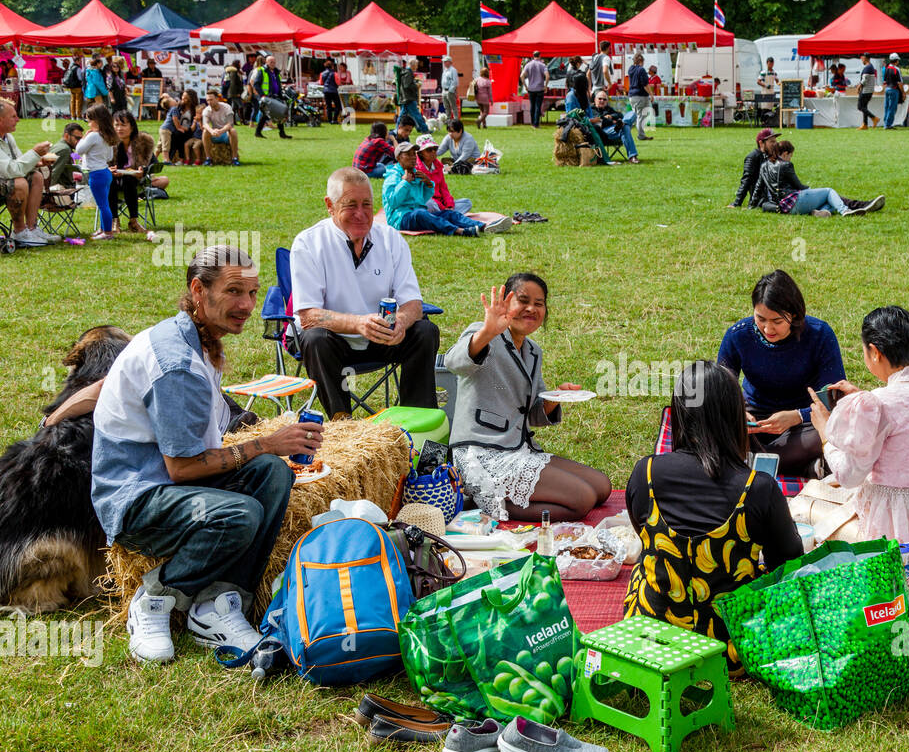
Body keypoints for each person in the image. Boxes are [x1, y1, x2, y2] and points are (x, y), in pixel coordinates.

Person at [94, 245, 313, 663]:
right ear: (198, 290)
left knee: (272, 475)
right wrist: (266, 441)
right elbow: (182, 469)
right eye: (234, 291)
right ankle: (153, 599)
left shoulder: (199, 338)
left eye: (252, 292)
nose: (247, 305)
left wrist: (265, 452)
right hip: (137, 497)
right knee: (241, 512)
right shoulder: (178, 363)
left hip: (166, 480)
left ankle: (218, 602)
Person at [623, 360, 803, 673]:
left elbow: (642, 532)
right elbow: (786, 563)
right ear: (735, 416)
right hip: (730, 649)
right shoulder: (758, 487)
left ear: (678, 412)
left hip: (650, 637)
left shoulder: (646, 473)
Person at [444, 275, 612, 521]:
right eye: (523, 300)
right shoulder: (482, 333)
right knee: (583, 500)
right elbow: (454, 362)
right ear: (505, 303)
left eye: (539, 303)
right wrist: (487, 331)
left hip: (519, 450)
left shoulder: (533, 351)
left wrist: (555, 397)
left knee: (602, 487)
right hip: (481, 454)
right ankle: (488, 504)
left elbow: (533, 413)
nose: (532, 308)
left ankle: (494, 498)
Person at [808, 306, 909, 543]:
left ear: (874, 352)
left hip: (893, 519)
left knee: (810, 515)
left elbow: (848, 476)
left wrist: (825, 433)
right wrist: (868, 399)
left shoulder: (879, 406)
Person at [290, 167, 442, 419]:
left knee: (425, 331)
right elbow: (308, 316)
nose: (360, 214)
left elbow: (413, 303)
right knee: (315, 338)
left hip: (382, 338)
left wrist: (401, 322)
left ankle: (416, 422)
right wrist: (359, 323)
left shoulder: (391, 239)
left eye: (367, 205)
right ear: (330, 205)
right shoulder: (309, 243)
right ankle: (345, 426)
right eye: (350, 205)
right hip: (333, 343)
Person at [718, 270, 847, 477]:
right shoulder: (738, 335)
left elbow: (834, 399)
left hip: (805, 421)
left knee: (836, 428)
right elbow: (720, 390)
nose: (768, 329)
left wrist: (796, 416)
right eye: (760, 319)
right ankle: (802, 466)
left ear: (794, 315)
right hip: (754, 420)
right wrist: (738, 414)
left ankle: (750, 463)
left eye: (777, 321)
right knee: (709, 422)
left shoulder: (820, 335)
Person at [383, 141, 489, 237]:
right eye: (408, 154)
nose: (413, 157)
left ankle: (484, 226)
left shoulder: (416, 173)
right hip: (400, 219)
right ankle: (459, 231)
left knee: (449, 213)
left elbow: (423, 199)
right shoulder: (393, 176)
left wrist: (429, 184)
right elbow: (393, 202)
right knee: (421, 214)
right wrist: (405, 183)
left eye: (413, 154)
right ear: (399, 158)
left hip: (417, 212)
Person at [0, 101, 59, 246]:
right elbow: (12, 170)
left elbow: (18, 162)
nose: (18, 119)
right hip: (5, 181)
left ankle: (31, 229)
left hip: (4, 181)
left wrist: (38, 162)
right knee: (19, 182)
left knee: (36, 177)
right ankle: (19, 232)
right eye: (13, 116)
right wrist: (34, 153)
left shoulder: (8, 137)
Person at [760, 140, 871, 217]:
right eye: (790, 156)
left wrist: (751, 205)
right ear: (784, 154)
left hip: (782, 207)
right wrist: (811, 190)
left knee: (830, 200)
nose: (790, 159)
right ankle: (845, 210)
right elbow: (799, 186)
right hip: (793, 201)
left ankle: (821, 212)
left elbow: (758, 187)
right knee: (829, 191)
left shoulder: (764, 166)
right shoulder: (785, 165)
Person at [108, 111, 154, 234]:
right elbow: (100, 162)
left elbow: (146, 164)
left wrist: (142, 170)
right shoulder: (108, 142)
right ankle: (114, 221)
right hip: (113, 177)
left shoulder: (144, 141)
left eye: (123, 125)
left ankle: (133, 221)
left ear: (132, 127)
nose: (119, 128)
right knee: (109, 180)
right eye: (116, 125)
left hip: (135, 179)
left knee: (129, 179)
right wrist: (109, 170)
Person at [77, 104, 118, 241]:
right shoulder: (107, 135)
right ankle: (103, 228)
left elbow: (79, 150)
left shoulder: (93, 136)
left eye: (89, 120)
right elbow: (110, 157)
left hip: (96, 174)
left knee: (103, 205)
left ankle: (107, 232)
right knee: (103, 203)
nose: (88, 124)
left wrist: (84, 137)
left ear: (96, 120)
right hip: (105, 172)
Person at [728, 127, 779, 209]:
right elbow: (746, 181)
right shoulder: (753, 157)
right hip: (762, 201)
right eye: (771, 142)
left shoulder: (773, 156)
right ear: (761, 143)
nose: (775, 144)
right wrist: (737, 203)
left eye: (775, 141)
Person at [590, 90, 638, 163]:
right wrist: (611, 121)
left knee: (632, 114)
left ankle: (623, 123)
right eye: (600, 99)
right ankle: (632, 157)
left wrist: (611, 116)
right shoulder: (591, 109)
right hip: (604, 132)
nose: (602, 101)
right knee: (625, 127)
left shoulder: (608, 109)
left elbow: (619, 115)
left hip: (616, 129)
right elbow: (600, 120)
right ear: (595, 100)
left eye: (604, 99)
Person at [253, 55, 291, 139]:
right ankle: (259, 132)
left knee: (278, 113)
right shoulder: (262, 71)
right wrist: (262, 95)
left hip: (276, 96)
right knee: (269, 115)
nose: (273, 64)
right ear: (266, 62)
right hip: (267, 98)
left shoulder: (276, 72)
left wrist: (281, 95)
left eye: (274, 62)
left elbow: (278, 84)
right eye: (271, 62)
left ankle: (281, 133)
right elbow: (256, 84)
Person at [200, 89, 239, 165]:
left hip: (225, 133)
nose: (209, 102)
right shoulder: (206, 110)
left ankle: (234, 158)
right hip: (214, 133)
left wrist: (221, 131)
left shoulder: (227, 107)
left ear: (217, 99)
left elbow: (230, 123)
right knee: (205, 131)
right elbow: (205, 124)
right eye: (207, 100)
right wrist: (212, 131)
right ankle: (208, 158)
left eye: (211, 100)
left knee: (233, 131)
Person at [161, 89, 200, 164]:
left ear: (191, 99)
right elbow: (166, 109)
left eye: (185, 98)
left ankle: (180, 159)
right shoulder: (179, 106)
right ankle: (169, 159)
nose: (183, 99)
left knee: (179, 136)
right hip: (178, 128)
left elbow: (193, 125)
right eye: (182, 97)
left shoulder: (194, 109)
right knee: (174, 135)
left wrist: (186, 128)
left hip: (189, 130)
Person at [48, 121, 83, 189]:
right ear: (66, 136)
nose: (80, 142)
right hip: (64, 190)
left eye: (81, 139)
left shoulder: (60, 146)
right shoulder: (65, 149)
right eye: (77, 138)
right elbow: (53, 173)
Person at [626, 53, 653, 141]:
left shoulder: (630, 69)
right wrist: (651, 94)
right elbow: (645, 84)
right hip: (640, 95)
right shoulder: (641, 70)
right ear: (641, 61)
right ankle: (641, 135)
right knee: (641, 116)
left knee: (635, 116)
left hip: (632, 95)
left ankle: (626, 132)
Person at [520, 50, 549, 128]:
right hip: (540, 88)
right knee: (538, 106)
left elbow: (522, 76)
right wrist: (545, 85)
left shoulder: (528, 65)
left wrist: (525, 86)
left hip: (531, 89)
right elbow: (547, 76)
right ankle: (536, 124)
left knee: (532, 106)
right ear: (539, 56)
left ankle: (532, 123)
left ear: (533, 56)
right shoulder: (542, 65)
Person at [881, 54, 903, 130]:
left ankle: (886, 123)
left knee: (887, 107)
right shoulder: (896, 69)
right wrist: (903, 92)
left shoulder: (886, 68)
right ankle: (888, 125)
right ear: (896, 61)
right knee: (892, 108)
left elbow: (884, 81)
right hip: (894, 89)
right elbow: (899, 83)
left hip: (887, 89)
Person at [857, 56, 878, 129]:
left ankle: (874, 118)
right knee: (864, 107)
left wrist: (859, 86)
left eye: (862, 58)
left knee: (860, 107)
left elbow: (865, 79)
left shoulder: (868, 67)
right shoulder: (871, 66)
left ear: (865, 58)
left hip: (865, 90)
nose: (861, 60)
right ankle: (865, 124)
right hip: (870, 90)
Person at [318, 58, 341, 124]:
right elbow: (338, 83)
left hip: (326, 91)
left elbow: (321, 83)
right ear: (332, 66)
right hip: (333, 90)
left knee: (328, 106)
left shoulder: (322, 74)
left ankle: (330, 120)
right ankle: (335, 119)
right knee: (338, 105)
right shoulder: (334, 73)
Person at [441, 56, 460, 121]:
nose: (444, 63)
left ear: (449, 62)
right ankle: (448, 119)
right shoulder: (445, 70)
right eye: (444, 62)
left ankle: (456, 119)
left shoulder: (453, 70)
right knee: (446, 106)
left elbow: (455, 81)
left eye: (445, 61)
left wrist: (450, 90)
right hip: (444, 90)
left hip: (450, 91)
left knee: (453, 106)